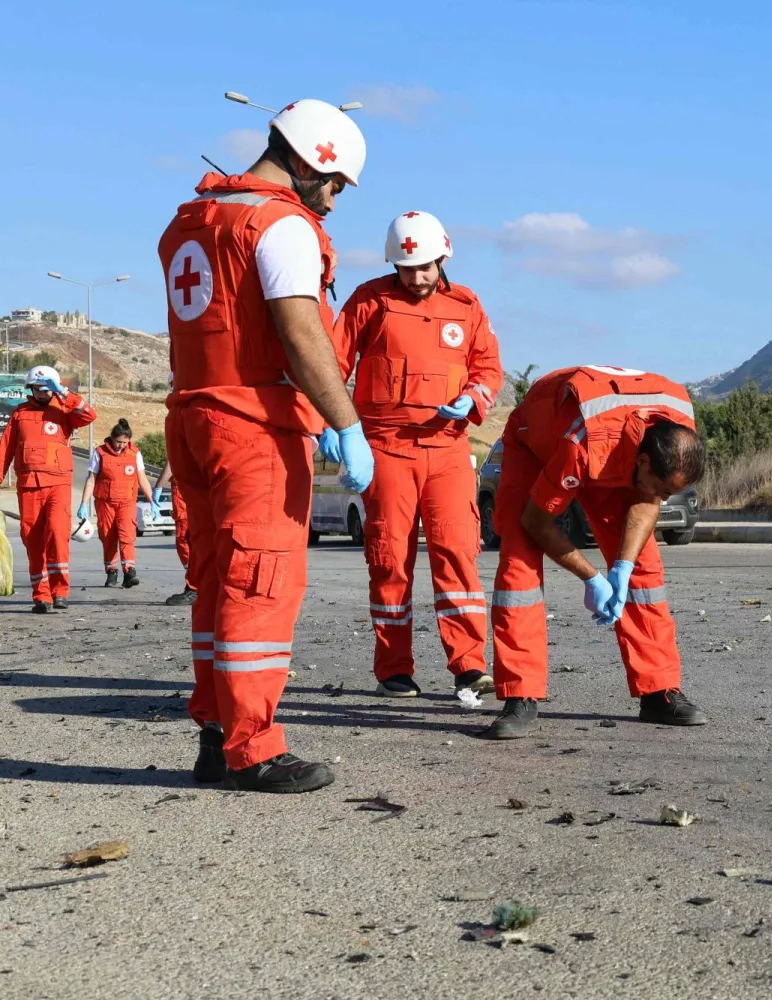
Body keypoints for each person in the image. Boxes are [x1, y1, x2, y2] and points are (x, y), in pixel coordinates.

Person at [158, 97, 373, 794]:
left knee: (219, 585)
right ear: (311, 161)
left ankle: (216, 737)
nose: (335, 203)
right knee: (261, 584)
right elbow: (299, 333)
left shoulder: (191, 219)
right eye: (335, 184)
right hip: (253, 426)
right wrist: (344, 420)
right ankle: (253, 748)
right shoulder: (281, 225)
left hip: (194, 414)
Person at [485, 365, 708, 739]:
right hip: (536, 445)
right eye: (663, 488)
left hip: (615, 449)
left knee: (644, 568)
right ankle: (520, 696)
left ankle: (658, 691)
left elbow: (648, 497)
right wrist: (592, 577)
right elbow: (538, 523)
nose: (666, 499)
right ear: (643, 462)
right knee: (519, 563)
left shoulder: (677, 430)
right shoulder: (581, 442)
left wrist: (622, 566)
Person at [332, 211, 502, 699]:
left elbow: (488, 367)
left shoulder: (467, 306)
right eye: (407, 268)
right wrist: (333, 426)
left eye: (425, 266)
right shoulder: (370, 301)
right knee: (390, 559)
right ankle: (394, 669)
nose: (417, 277)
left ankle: (469, 665)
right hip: (385, 449)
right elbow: (332, 362)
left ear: (443, 256)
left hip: (447, 449)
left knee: (457, 553)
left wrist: (474, 396)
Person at [0, 364, 97, 612]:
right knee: (32, 539)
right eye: (38, 389)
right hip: (29, 485)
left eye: (46, 389)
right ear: (30, 390)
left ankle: (60, 591)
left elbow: (89, 415)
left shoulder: (65, 412)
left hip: (58, 483)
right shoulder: (19, 415)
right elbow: (5, 450)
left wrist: (64, 393)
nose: (42, 394)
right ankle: (41, 595)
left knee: (57, 532)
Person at [78, 418, 156, 588]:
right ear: (112, 439)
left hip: (127, 502)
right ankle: (111, 571)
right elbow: (91, 480)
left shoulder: (135, 453)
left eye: (125, 442)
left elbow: (142, 478)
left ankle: (129, 571)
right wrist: (83, 504)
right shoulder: (99, 453)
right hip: (105, 502)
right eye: (118, 442)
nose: (121, 445)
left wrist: (152, 500)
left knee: (127, 536)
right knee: (108, 537)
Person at [152, 454, 196, 605]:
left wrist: (158, 487)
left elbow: (172, 462)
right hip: (198, 498)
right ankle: (197, 586)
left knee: (185, 542)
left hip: (186, 499)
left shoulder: (184, 435)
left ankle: (194, 588)